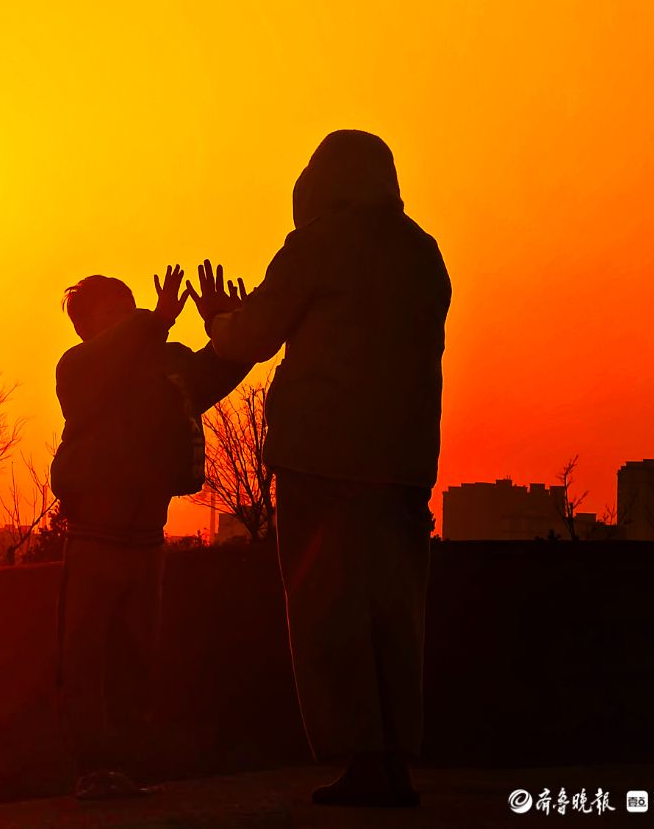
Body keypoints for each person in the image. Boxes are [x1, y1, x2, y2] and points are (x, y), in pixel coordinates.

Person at [188, 130, 451, 807]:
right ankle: (394, 762)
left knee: (331, 614)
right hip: (404, 462)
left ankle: (363, 760)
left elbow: (252, 337)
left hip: (323, 458)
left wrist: (221, 318)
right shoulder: (423, 253)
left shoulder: (318, 244)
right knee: (395, 616)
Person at [51, 266, 250, 800]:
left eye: (130, 305)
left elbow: (219, 369)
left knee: (137, 659)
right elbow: (112, 355)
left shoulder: (166, 365)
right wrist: (150, 324)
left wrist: (227, 325)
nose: (129, 317)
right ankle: (92, 768)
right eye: (113, 312)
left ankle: (129, 766)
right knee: (86, 660)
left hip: (146, 540)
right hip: (94, 537)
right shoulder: (79, 368)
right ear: (86, 327)